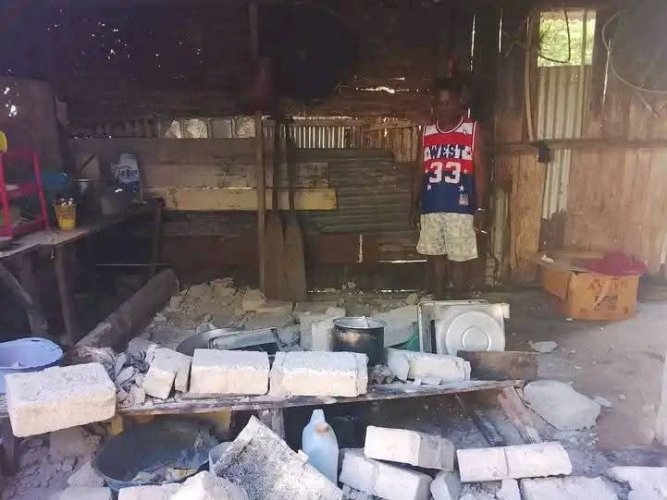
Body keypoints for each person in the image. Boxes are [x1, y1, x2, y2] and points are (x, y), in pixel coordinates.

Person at [411, 77, 488, 299]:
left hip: (461, 207)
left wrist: (481, 207)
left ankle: (458, 305)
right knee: (435, 256)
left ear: (458, 103)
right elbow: (419, 170)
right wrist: (414, 204)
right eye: (439, 103)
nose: (443, 108)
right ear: (434, 104)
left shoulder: (471, 129)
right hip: (431, 205)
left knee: (459, 258)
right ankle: (439, 301)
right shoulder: (427, 131)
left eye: (448, 103)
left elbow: (481, 170)